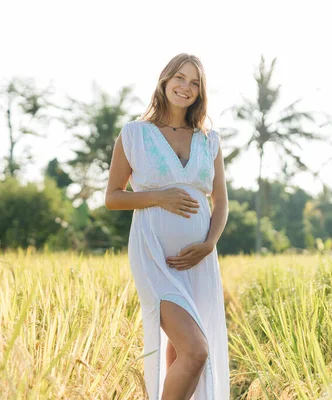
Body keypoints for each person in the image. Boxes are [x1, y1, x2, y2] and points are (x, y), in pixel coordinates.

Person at [105, 53, 230, 399]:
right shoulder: (134, 134)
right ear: (164, 80)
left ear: (201, 92)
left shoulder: (210, 140)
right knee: (196, 350)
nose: (185, 87)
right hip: (154, 257)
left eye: (194, 83)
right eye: (179, 78)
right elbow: (113, 197)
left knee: (183, 353)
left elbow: (220, 203)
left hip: (199, 260)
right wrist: (159, 197)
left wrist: (208, 244)